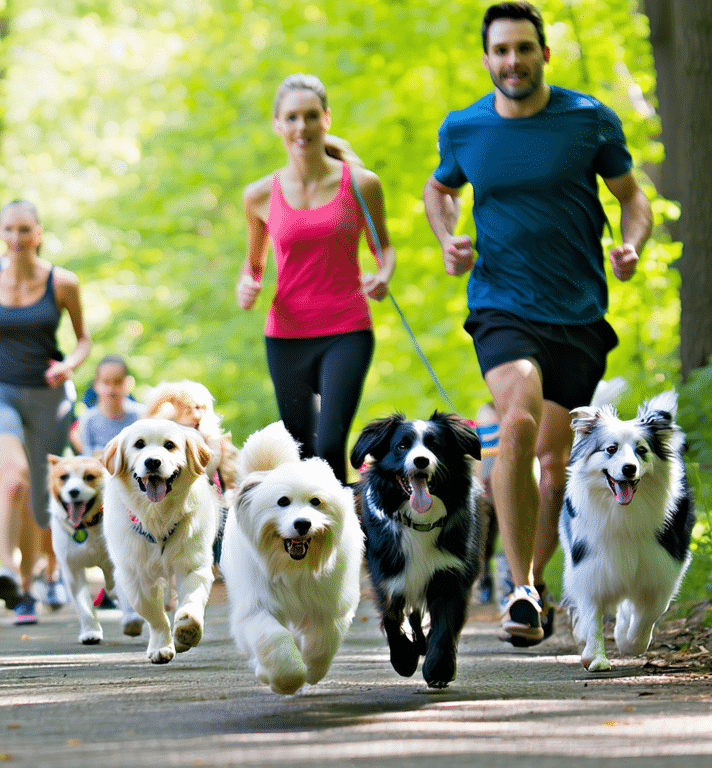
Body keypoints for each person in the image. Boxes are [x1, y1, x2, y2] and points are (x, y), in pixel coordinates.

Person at [423, 1, 652, 646]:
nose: (512, 61)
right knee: (516, 417)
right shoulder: (465, 128)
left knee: (554, 470)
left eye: (524, 48)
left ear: (543, 53)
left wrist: (631, 245)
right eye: (500, 50)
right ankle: (520, 586)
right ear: (488, 58)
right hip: (500, 302)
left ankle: (536, 582)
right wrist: (448, 238)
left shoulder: (587, 121)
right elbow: (439, 189)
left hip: (578, 312)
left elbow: (632, 197)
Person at [236, 74, 397, 482]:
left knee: (328, 446)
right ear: (278, 125)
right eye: (291, 118)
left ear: (326, 119)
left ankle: (345, 541)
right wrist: (247, 286)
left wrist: (383, 275)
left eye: (310, 116)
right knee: (299, 452)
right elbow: (253, 264)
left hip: (347, 327)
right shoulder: (259, 195)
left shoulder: (361, 185)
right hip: (286, 334)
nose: (301, 127)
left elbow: (386, 249)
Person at [0, 201, 91, 625]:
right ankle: (9, 570)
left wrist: (70, 365)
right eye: (9, 230)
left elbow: (83, 340)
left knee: (40, 498)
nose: (16, 239)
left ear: (40, 232)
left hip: (50, 398)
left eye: (25, 230)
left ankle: (32, 588)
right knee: (12, 480)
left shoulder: (63, 283)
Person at [71, 355, 142, 457]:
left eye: (118, 382)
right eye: (106, 382)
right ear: (96, 384)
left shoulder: (140, 415)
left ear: (128, 382)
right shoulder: (88, 419)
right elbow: (86, 455)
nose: (111, 389)